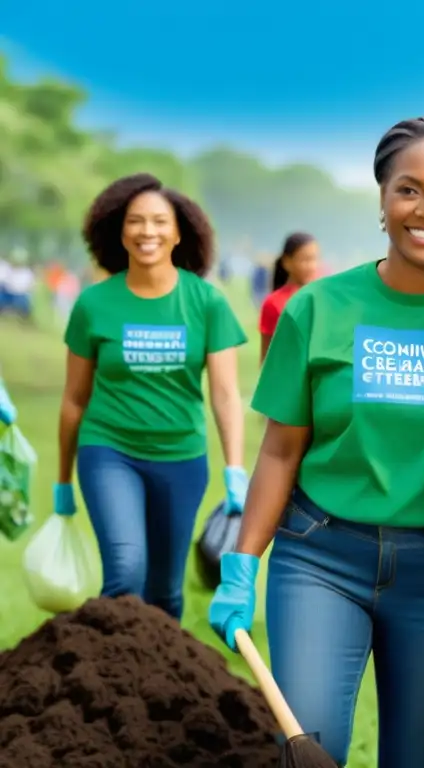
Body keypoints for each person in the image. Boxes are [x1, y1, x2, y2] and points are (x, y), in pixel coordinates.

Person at [207, 116, 424, 767]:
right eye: (408, 189)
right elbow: (280, 449)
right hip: (321, 556)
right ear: (382, 200)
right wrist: (243, 563)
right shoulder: (316, 308)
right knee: (308, 747)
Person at [56, 173, 250, 621]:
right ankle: (108, 684)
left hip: (181, 458)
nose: (148, 232)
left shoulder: (206, 303)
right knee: (125, 573)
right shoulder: (93, 305)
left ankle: (160, 689)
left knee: (165, 590)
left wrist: (235, 469)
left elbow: (223, 393)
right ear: (118, 230)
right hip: (109, 452)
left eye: (160, 222)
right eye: (136, 221)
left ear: (179, 232)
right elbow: (73, 399)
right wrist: (63, 481)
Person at [258, 232, 320, 364]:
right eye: (305, 260)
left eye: (314, 259)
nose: (311, 266)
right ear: (287, 262)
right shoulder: (273, 303)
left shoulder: (324, 297)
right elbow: (266, 358)